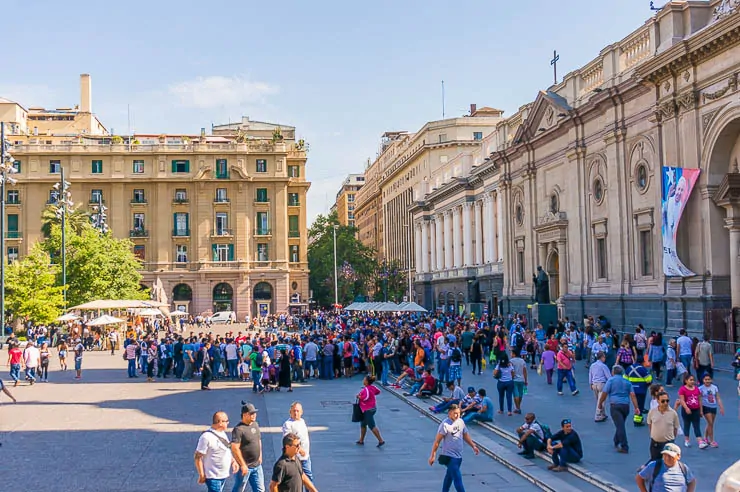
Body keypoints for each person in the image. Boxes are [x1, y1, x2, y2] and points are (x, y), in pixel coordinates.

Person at [428, 404, 480, 492]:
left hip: (459, 456)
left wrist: (473, 445)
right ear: (449, 413)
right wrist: (433, 455)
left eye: (458, 413)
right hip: (449, 457)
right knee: (457, 478)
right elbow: (437, 441)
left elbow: (465, 434)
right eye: (455, 413)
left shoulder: (460, 422)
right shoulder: (445, 425)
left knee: (449, 477)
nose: (457, 415)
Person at [597, 365, 641, 453]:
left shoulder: (611, 381)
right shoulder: (627, 381)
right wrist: (636, 407)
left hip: (615, 405)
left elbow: (604, 392)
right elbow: (632, 395)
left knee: (620, 426)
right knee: (620, 424)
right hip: (625, 406)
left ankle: (624, 446)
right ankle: (616, 440)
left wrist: (600, 403)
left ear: (613, 372)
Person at [195, 411, 237, 492]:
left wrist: (233, 461)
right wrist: (202, 475)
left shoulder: (222, 433)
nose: (228, 423)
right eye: (226, 421)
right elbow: (197, 457)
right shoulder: (206, 437)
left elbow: (226, 449)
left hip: (222, 475)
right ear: (220, 422)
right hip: (213, 477)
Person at [231, 403, 264, 492]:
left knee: (260, 490)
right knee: (239, 489)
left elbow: (258, 440)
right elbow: (234, 448)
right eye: (251, 413)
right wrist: (242, 465)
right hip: (245, 467)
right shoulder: (238, 429)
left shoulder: (255, 425)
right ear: (244, 415)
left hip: (257, 466)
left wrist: (260, 455)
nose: (254, 415)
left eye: (254, 413)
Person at [281, 402, 313, 483]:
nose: (296, 413)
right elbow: (288, 439)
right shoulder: (288, 424)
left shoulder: (302, 421)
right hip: (295, 458)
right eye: (294, 411)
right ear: (290, 412)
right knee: (295, 480)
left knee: (308, 478)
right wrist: (300, 449)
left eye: (298, 411)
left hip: (305, 457)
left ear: (301, 412)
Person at [646, 391, 680, 461]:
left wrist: (672, 440)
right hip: (655, 443)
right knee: (655, 462)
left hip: (668, 443)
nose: (665, 403)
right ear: (658, 401)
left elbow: (675, 428)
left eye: (667, 401)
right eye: (663, 401)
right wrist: (654, 435)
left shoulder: (673, 413)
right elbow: (650, 424)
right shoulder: (652, 412)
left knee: (668, 463)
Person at [355, 375, 385, 447]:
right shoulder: (373, 387)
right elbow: (378, 391)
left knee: (371, 425)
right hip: (372, 408)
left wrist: (359, 397)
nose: (363, 381)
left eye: (364, 379)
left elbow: (365, 398)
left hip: (367, 409)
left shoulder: (366, 389)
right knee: (363, 424)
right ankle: (361, 440)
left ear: (366, 382)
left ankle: (381, 440)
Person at [677, 373, 702, 448]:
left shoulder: (697, 389)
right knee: (687, 424)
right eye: (690, 380)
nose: (692, 381)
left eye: (693, 380)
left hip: (696, 409)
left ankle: (700, 441)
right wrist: (686, 408)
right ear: (686, 381)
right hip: (687, 410)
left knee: (696, 425)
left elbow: (700, 400)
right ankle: (687, 440)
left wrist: (701, 410)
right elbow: (682, 400)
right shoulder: (682, 389)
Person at [698, 374, 723, 448]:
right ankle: (712, 441)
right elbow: (700, 400)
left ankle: (705, 438)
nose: (707, 381)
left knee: (710, 424)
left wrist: (721, 407)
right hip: (706, 406)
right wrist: (701, 410)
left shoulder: (715, 387)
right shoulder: (700, 388)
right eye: (706, 379)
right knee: (710, 423)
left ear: (711, 380)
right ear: (703, 380)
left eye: (709, 379)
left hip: (713, 406)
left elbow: (718, 398)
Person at [588, 351, 611, 422]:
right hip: (601, 384)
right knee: (601, 401)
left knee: (598, 399)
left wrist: (590, 384)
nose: (605, 358)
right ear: (601, 357)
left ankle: (603, 414)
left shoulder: (592, 365)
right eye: (604, 357)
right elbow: (608, 376)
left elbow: (590, 375)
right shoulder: (603, 366)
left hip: (594, 384)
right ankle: (597, 415)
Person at [510, 349, 528, 414]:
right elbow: (525, 371)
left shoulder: (511, 361)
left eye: (511, 353)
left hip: (514, 379)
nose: (511, 354)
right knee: (520, 394)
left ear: (514, 354)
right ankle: (518, 407)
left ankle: (518, 408)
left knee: (515, 394)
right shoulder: (522, 361)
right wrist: (526, 380)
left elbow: (511, 371)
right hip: (522, 379)